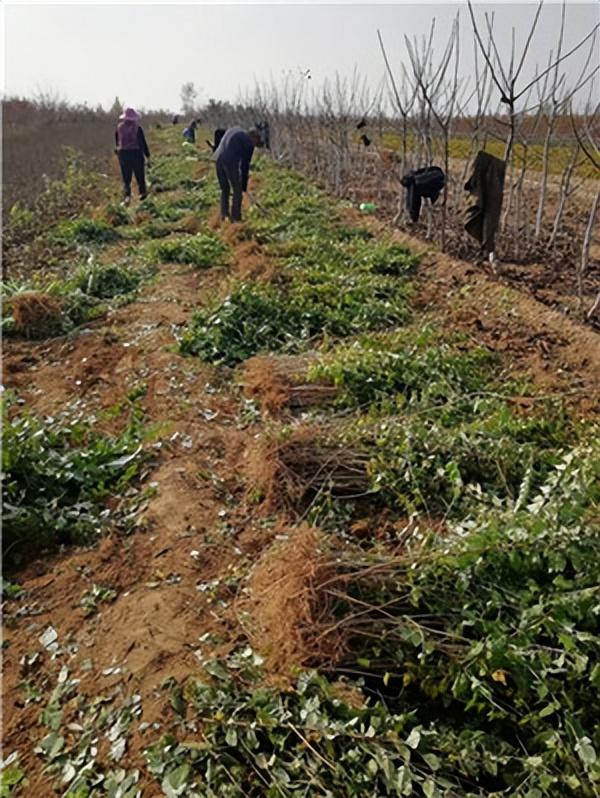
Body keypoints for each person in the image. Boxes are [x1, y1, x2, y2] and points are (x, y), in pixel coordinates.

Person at [213, 126, 263, 222]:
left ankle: (224, 216)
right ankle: (236, 219)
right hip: (230, 161)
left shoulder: (235, 129)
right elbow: (245, 166)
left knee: (225, 189)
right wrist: (243, 186)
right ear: (254, 138)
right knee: (237, 191)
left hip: (217, 158)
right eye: (256, 142)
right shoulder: (248, 143)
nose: (255, 145)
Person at [115, 107, 150, 204]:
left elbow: (117, 142)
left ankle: (127, 197)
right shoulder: (137, 128)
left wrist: (118, 153)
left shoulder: (119, 128)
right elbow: (142, 143)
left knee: (126, 179)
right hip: (136, 153)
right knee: (140, 176)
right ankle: (143, 197)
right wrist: (147, 155)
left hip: (123, 154)